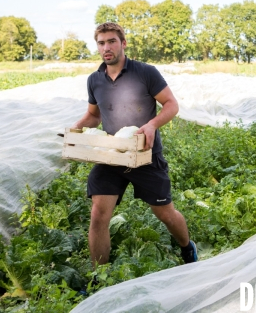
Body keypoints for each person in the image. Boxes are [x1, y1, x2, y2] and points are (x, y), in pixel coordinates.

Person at [73, 22, 197, 267]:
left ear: (123, 43)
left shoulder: (146, 73)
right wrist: (73, 131)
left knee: (165, 214)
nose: (106, 47)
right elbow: (94, 115)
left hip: (145, 155)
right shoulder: (94, 80)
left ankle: (186, 247)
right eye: (101, 43)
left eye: (111, 41)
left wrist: (151, 125)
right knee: (98, 215)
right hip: (112, 156)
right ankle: (100, 274)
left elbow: (171, 105)